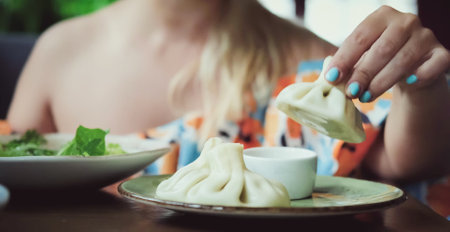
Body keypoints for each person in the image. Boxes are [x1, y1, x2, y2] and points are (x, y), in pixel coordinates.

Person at [4, 0, 450, 215]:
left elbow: (406, 161)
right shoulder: (57, 55)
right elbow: (15, 188)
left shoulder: (316, 59)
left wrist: (420, 85)